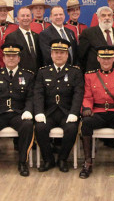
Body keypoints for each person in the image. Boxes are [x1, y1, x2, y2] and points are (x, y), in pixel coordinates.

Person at [0, 43, 35, 177]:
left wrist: (28, 110)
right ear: (3, 59)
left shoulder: (28, 75)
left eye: (14, 56)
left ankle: (23, 162)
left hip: (18, 113)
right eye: (8, 56)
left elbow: (31, 97)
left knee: (27, 125)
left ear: (19, 59)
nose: (11, 59)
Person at [79, 46, 114, 180]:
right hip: (98, 111)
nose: (106, 61)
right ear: (98, 58)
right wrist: (87, 108)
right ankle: (88, 162)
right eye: (103, 58)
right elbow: (87, 96)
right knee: (86, 123)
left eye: (109, 58)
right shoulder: (90, 76)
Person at [34, 39, 84, 172]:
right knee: (40, 128)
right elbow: (38, 94)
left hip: (67, 113)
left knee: (71, 129)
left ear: (67, 55)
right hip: (48, 112)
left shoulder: (75, 72)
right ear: (51, 55)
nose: (59, 55)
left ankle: (62, 159)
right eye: (56, 52)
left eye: (62, 52)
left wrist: (74, 112)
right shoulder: (43, 72)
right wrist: (39, 112)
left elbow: (78, 94)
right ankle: (48, 159)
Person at [78, 6, 114, 72]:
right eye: (103, 15)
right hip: (95, 76)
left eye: (109, 15)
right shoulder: (88, 33)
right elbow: (81, 57)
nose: (107, 18)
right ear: (98, 18)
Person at [4, 7, 42, 72]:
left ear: (31, 18)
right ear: (18, 19)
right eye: (22, 16)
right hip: (21, 75)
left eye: (28, 16)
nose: (25, 18)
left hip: (37, 75)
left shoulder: (37, 36)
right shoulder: (11, 37)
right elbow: (10, 59)